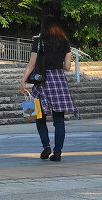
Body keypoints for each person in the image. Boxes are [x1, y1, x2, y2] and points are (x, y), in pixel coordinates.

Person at [19, 14, 77, 162]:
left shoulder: (38, 41)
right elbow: (67, 67)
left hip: (42, 81)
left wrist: (23, 80)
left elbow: (32, 64)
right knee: (59, 119)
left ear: (43, 26)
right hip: (59, 81)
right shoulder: (64, 41)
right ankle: (57, 153)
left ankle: (46, 145)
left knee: (39, 116)